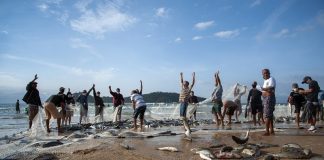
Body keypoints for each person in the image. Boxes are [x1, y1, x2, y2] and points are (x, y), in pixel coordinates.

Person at [179, 72, 195, 139]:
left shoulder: (188, 89)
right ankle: (186, 129)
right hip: (181, 103)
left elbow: (193, 83)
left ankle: (188, 129)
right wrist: (181, 75)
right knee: (182, 116)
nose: (183, 83)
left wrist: (193, 76)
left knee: (183, 117)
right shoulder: (182, 88)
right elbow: (181, 81)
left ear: (187, 84)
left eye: (185, 82)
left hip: (184, 103)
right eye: (183, 83)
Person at [261, 69, 276, 136]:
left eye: (266, 73)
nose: (265, 74)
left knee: (267, 115)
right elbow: (266, 91)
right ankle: (271, 130)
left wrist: (263, 89)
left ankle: (267, 131)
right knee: (270, 115)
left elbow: (270, 89)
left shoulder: (271, 79)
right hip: (265, 98)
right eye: (264, 73)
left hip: (269, 98)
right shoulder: (265, 81)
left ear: (269, 73)